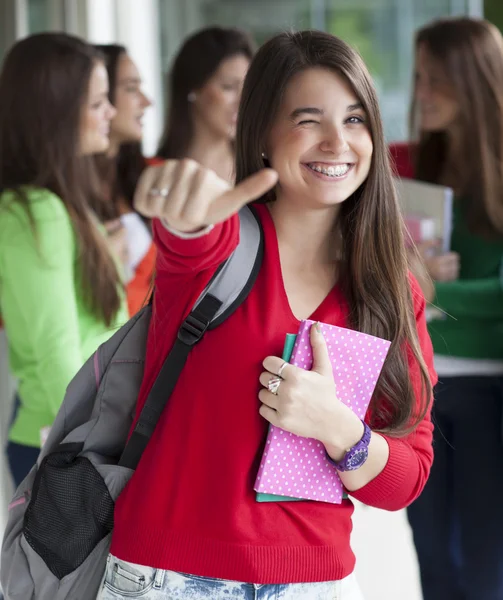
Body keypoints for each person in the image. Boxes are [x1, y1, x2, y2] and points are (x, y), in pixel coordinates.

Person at [99, 30, 436, 600]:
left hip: (316, 583)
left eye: (355, 120)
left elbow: (406, 477)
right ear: (261, 134)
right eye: (308, 120)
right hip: (167, 579)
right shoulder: (218, 245)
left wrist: (337, 428)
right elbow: (187, 231)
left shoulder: (389, 287)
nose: (337, 142)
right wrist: (171, 198)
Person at [390, 17, 503, 600]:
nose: (421, 93)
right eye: (417, 77)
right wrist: (407, 275)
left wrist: (430, 290)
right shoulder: (409, 166)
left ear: (474, 79)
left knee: (484, 568)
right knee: (433, 562)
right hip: (422, 384)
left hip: (490, 395)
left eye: (436, 79)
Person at [0, 33, 129, 488]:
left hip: (75, 438)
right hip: (64, 445)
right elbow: (58, 357)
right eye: (97, 103)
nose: (110, 113)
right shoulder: (35, 211)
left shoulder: (58, 204)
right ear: (55, 113)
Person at [93, 44, 156, 316]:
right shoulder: (55, 195)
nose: (146, 101)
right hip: (99, 349)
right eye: (131, 88)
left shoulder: (148, 175)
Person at [157, 26, 254, 183]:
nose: (243, 100)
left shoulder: (262, 170)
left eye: (248, 87)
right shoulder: (158, 176)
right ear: (193, 88)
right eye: (228, 87)